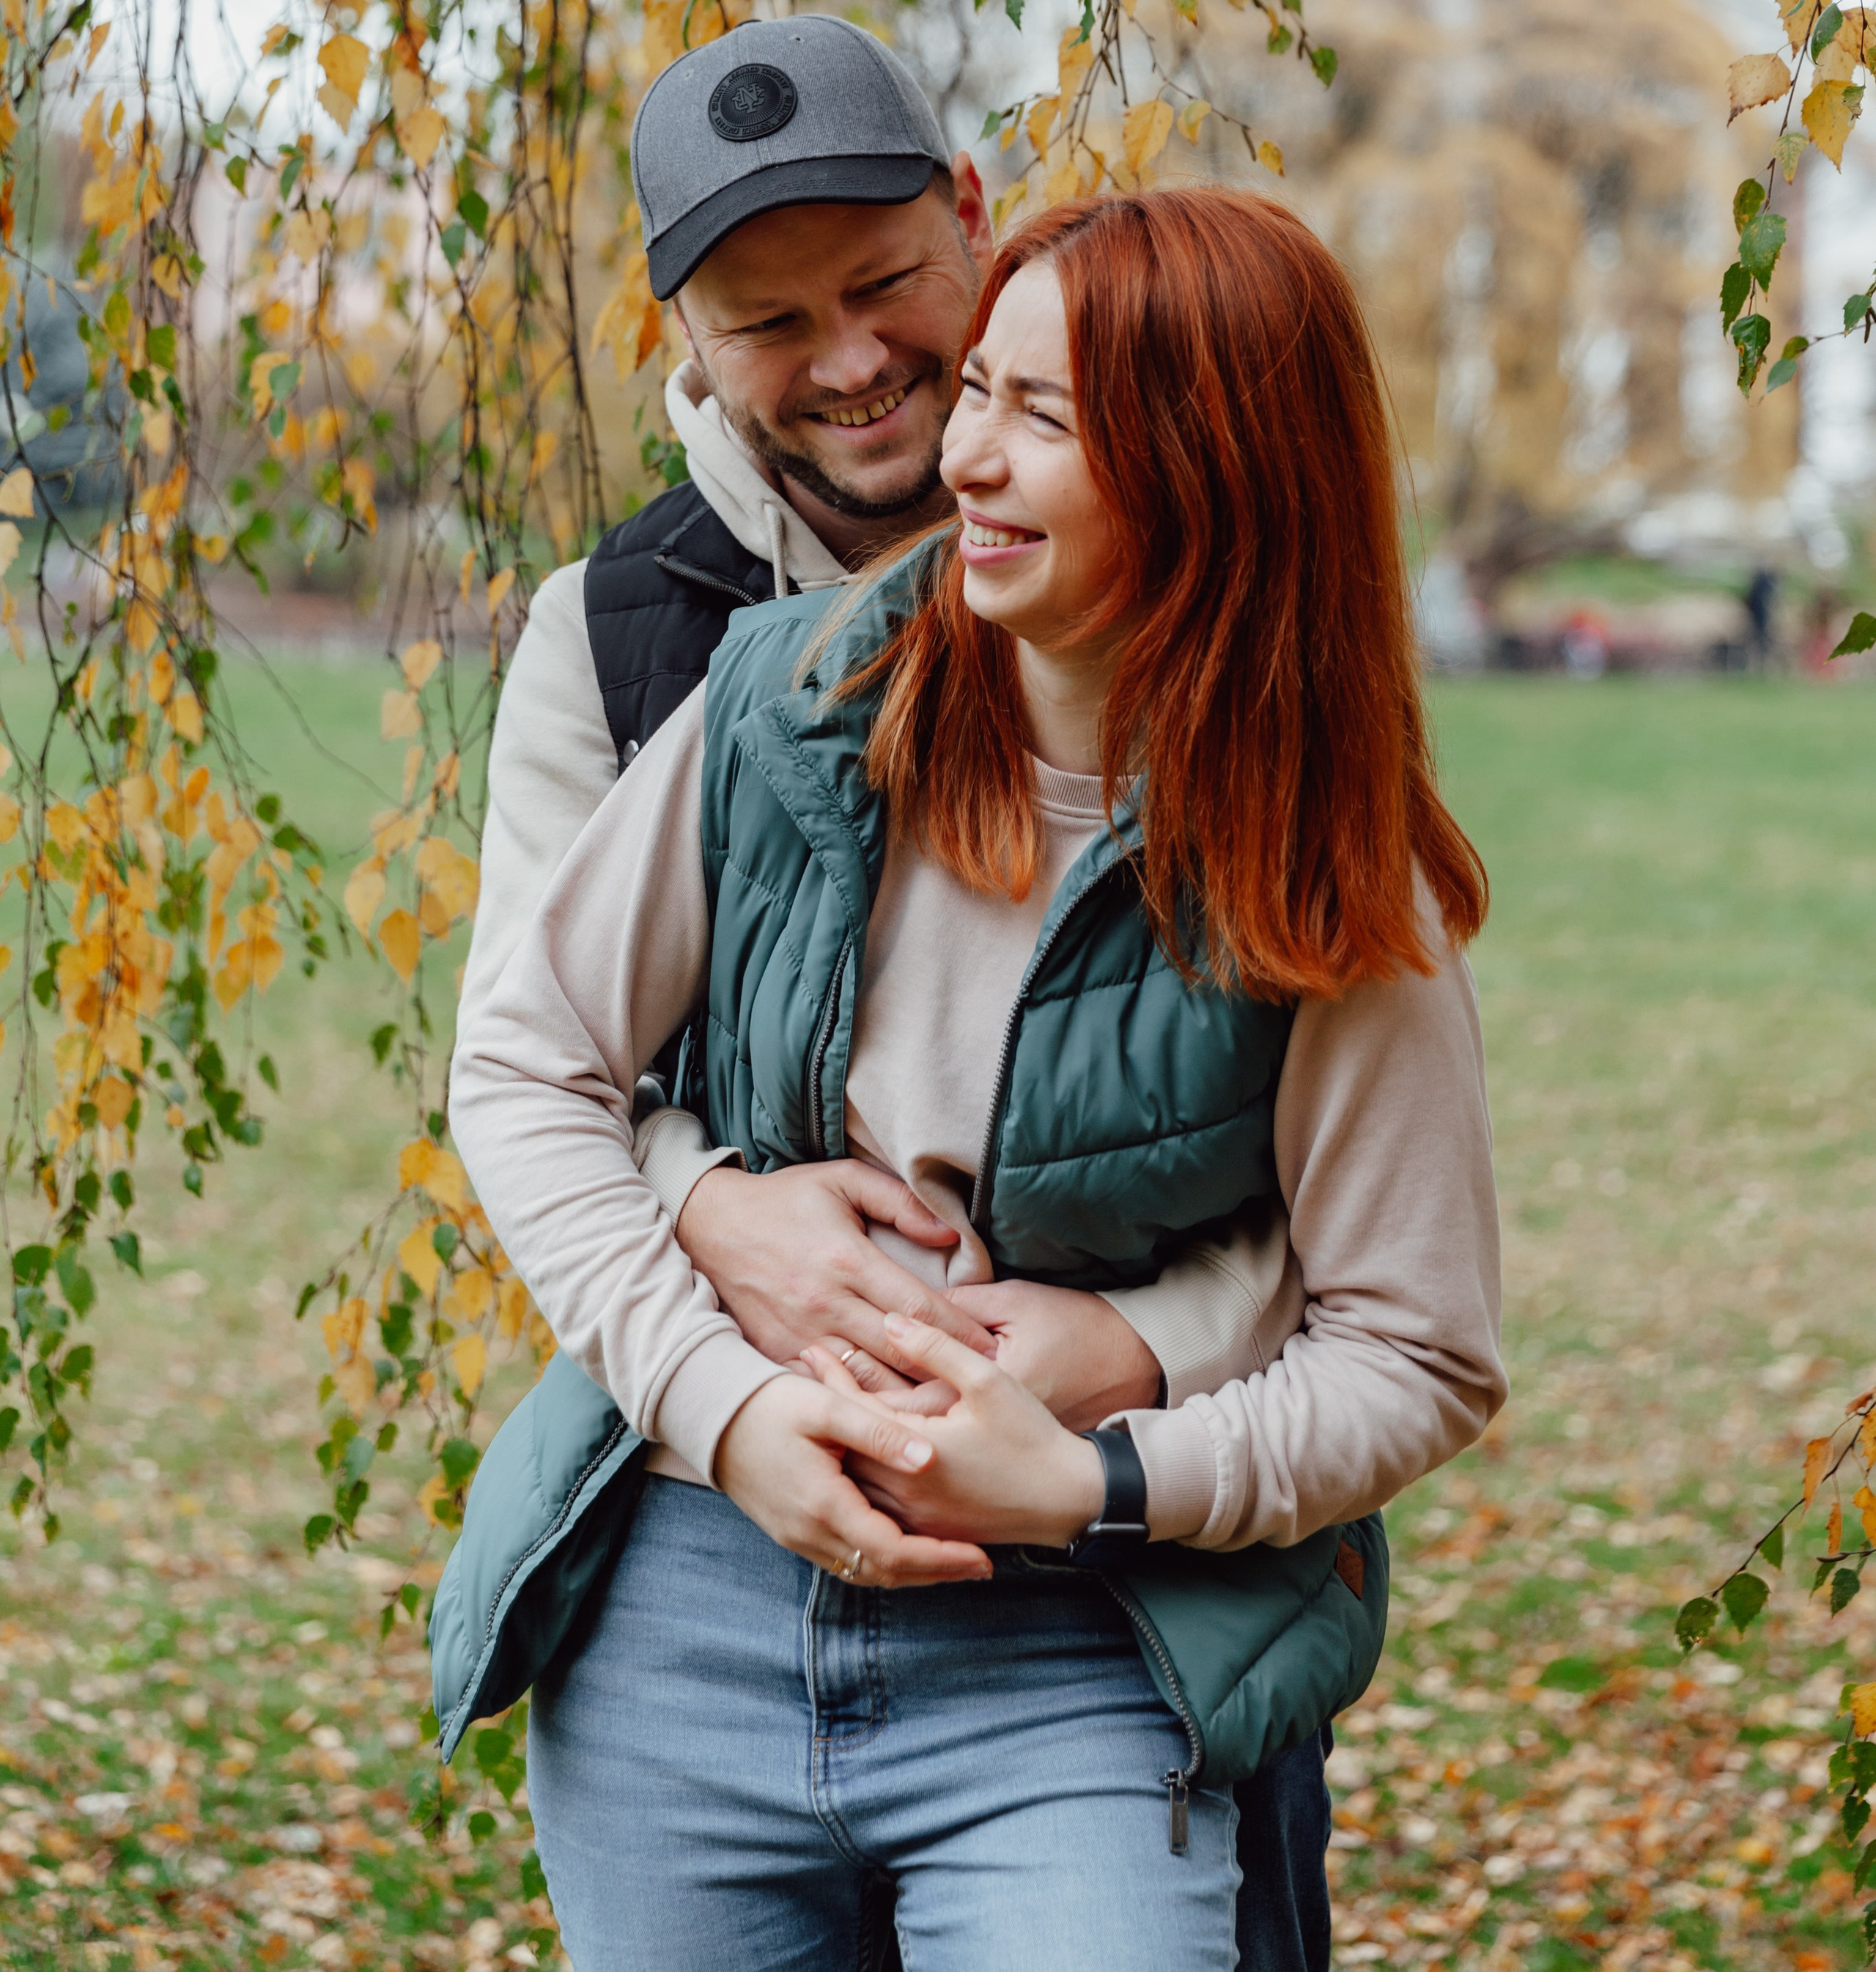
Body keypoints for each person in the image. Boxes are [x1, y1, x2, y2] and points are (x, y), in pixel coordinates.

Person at [448, 184, 1505, 1971]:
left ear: (1215, 468)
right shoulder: (787, 700)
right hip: (686, 1611)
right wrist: (727, 1409)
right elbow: (524, 1062)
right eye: (982, 395)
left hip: (1074, 1654)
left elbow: (1415, 1350)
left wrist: (1097, 1483)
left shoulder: (1324, 873)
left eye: (1043, 418)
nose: (965, 460)